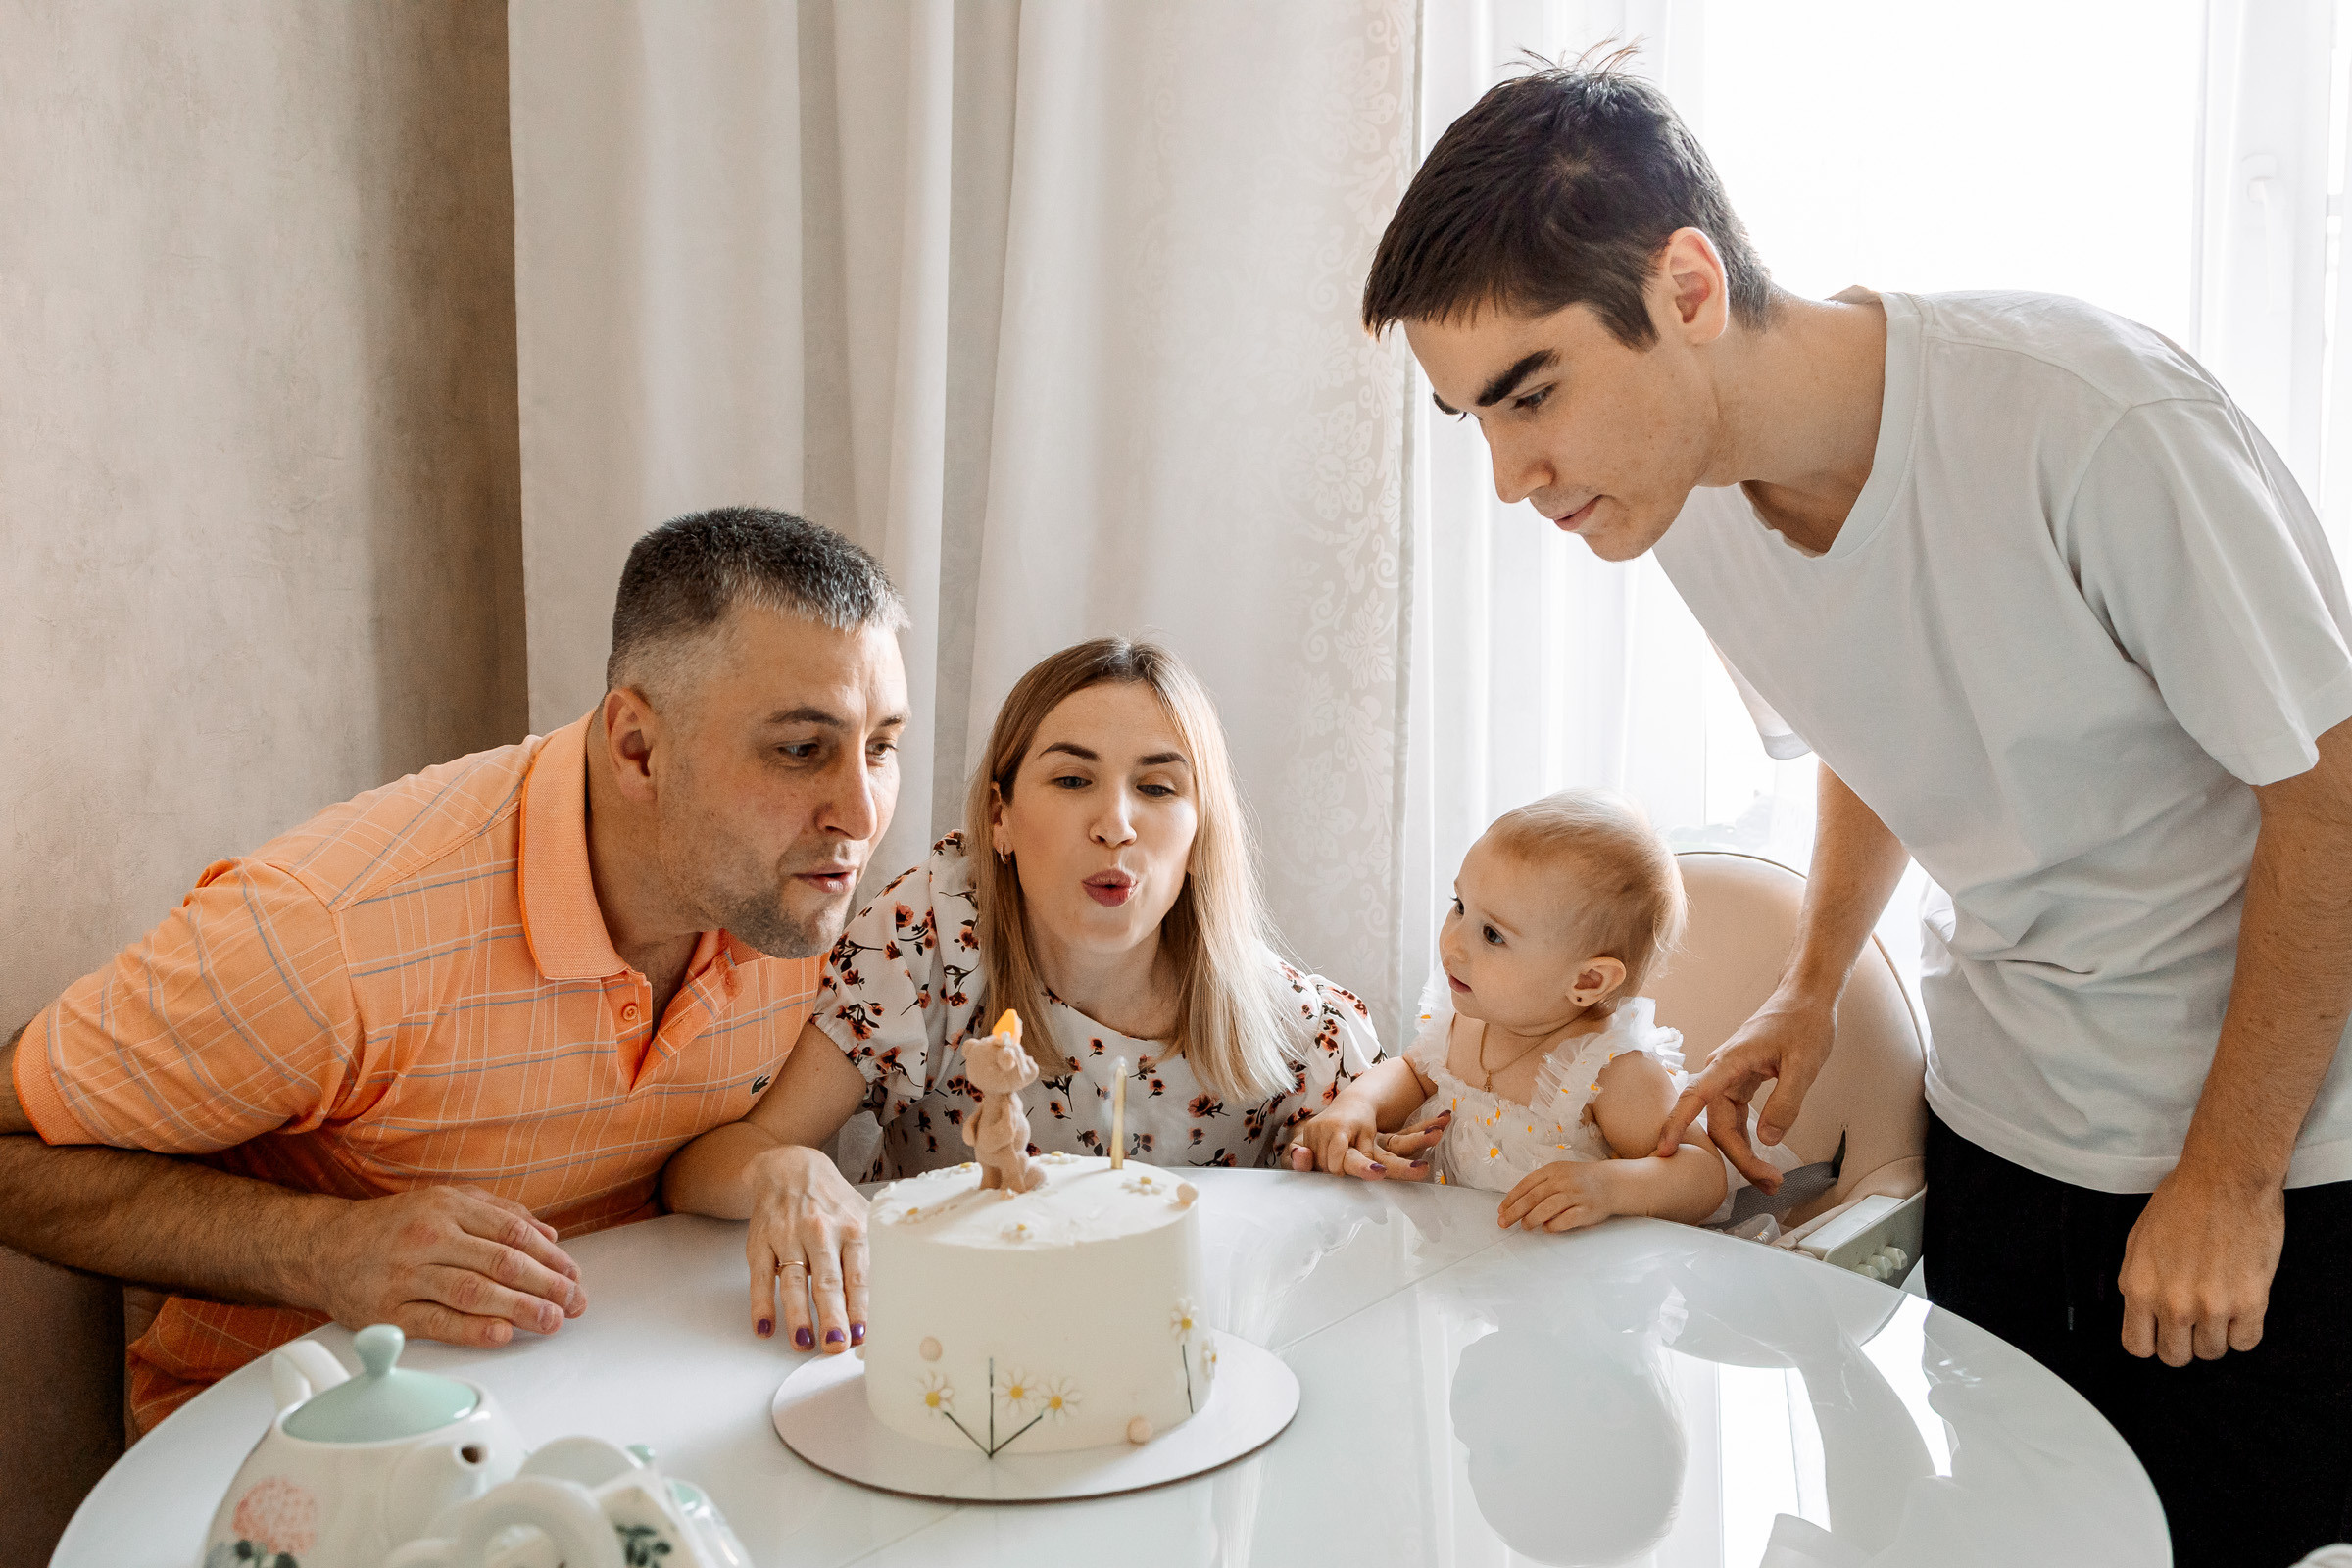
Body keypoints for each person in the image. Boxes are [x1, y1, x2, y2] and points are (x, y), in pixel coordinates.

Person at [1359, 52, 2352, 1564]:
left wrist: (2229, 1177)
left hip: (2268, 1147)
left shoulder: (2086, 419)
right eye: (1470, 421)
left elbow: (2333, 792)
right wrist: (1808, 989)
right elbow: (1875, 718)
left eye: (1532, 393)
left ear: (1686, 287)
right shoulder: (1680, 506)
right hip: (2010, 1124)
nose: (1511, 476)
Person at [0, 506, 908, 1428]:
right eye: (802, 749)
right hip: (294, 1449)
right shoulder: (331, 933)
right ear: (637, 748)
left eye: (882, 747)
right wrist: (320, 1247)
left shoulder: (798, 900)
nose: (862, 814)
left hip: (603, 1411)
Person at [661, 637, 1392, 1352]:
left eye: (1158, 787)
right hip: (947, 1366)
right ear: (999, 817)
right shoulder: (928, 941)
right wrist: (785, 1168)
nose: (1115, 825)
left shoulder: (1308, 1038)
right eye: (1073, 781)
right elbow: (705, 1168)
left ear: (1201, 834)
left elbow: (1377, 1271)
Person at [1292, 789, 1726, 1232]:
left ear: (1586, 982)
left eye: (1493, 935)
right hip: (1463, 1262)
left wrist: (1610, 1186)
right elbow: (1412, 1071)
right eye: (1459, 906)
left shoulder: (1609, 1073)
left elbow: (1704, 1177)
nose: (1454, 942)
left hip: (1565, 1280)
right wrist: (1357, 1103)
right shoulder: (1470, 1016)